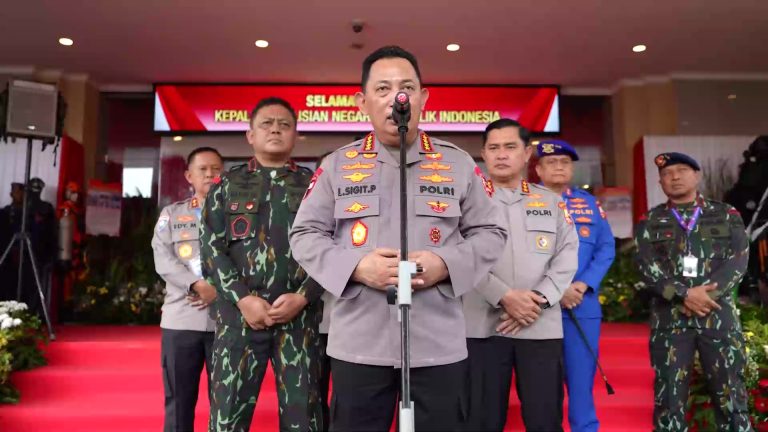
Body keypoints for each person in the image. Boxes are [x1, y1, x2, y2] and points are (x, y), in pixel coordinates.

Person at [290, 46, 508, 431]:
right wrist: (357, 267)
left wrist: (446, 264)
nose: (397, 98)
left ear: (423, 97)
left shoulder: (457, 163)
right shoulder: (337, 165)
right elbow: (305, 234)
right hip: (359, 343)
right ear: (362, 102)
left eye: (406, 87)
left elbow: (491, 232)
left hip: (436, 343)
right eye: (383, 88)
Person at [200, 97, 324, 432]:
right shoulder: (226, 185)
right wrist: (242, 299)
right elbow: (211, 248)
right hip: (239, 319)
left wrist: (303, 297)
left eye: (284, 125)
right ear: (250, 135)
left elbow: (332, 247)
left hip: (298, 320)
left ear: (295, 135)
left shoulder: (315, 186)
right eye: (267, 124)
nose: (275, 130)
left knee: (304, 419)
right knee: (227, 418)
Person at [462, 119, 578, 432]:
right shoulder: (465, 202)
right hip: (483, 327)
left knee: (545, 420)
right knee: (481, 420)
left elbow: (567, 255)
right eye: (493, 148)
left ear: (527, 154)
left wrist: (538, 300)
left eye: (510, 147)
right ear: (484, 154)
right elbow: (460, 255)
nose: (501, 154)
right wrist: (503, 296)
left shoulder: (551, 201)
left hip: (539, 324)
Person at [634, 152, 752, 431]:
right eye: (667, 173)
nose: (674, 177)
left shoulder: (726, 214)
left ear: (697, 176)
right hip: (670, 320)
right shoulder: (650, 220)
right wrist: (684, 295)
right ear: (660, 182)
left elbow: (739, 259)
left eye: (682, 170)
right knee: (669, 399)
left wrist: (706, 296)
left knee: (731, 395)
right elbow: (645, 267)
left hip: (718, 316)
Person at [534, 139, 615, 432]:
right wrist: (556, 290)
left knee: (581, 382)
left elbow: (606, 248)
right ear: (538, 169)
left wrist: (582, 284)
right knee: (542, 385)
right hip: (539, 307)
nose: (559, 167)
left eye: (565, 162)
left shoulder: (589, 204)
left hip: (581, 304)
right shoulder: (524, 201)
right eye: (551, 162)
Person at [152, 147, 223, 432]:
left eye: (216, 169)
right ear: (188, 176)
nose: (209, 174)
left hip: (225, 321)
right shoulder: (171, 214)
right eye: (202, 169)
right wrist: (196, 285)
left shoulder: (238, 215)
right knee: (179, 401)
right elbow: (162, 257)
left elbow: (249, 260)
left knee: (226, 402)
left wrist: (218, 290)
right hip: (181, 319)